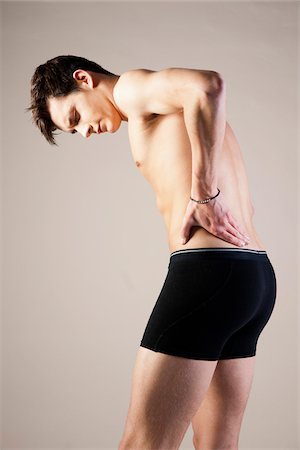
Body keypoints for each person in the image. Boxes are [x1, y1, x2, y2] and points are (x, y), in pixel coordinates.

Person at [28, 55, 277, 450]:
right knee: (217, 442)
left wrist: (203, 193)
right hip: (252, 278)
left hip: (209, 275)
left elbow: (208, 84)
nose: (84, 134)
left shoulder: (130, 89)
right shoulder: (167, 113)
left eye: (74, 118)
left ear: (84, 79)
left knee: (143, 443)